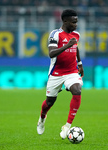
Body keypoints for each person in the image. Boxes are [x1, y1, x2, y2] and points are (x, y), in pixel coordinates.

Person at [37, 9, 84, 139]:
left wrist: (79, 63)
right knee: (49, 102)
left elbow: (75, 48)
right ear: (65, 21)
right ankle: (42, 118)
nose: (76, 25)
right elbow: (51, 53)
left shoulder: (76, 35)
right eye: (74, 22)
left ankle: (67, 126)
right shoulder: (55, 34)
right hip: (56, 73)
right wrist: (67, 45)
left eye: (76, 22)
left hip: (71, 71)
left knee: (77, 90)